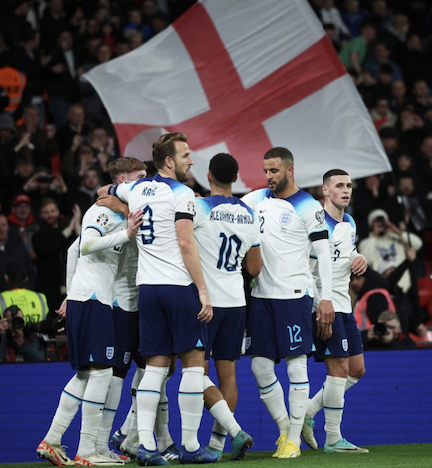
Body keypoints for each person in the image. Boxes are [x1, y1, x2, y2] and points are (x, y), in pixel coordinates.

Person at [108, 132, 218, 465]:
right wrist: (202, 290)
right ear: (168, 161)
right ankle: (190, 446)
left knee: (155, 369)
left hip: (149, 289)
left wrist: (125, 209)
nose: (191, 161)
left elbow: (103, 192)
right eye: (185, 155)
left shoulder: (137, 188)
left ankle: (146, 447)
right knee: (193, 367)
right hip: (178, 286)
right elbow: (186, 243)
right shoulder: (183, 194)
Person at [37, 158, 145, 467]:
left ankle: (52, 439)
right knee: (102, 373)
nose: (141, 184)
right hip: (95, 299)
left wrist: (71, 294)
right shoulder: (100, 211)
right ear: (122, 180)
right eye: (137, 178)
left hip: (91, 297)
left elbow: (73, 250)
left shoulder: (115, 212)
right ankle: (87, 450)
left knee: (86, 373)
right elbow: (86, 246)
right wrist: (126, 234)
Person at [240, 147, 332, 459]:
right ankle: (285, 428)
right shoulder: (254, 200)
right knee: (260, 367)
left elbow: (323, 255)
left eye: (274, 171)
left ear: (289, 171)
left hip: (294, 297)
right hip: (261, 297)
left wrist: (326, 298)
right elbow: (226, 212)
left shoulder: (307, 205)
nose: (268, 177)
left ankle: (294, 439)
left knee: (297, 367)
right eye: (265, 171)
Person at [192, 153, 261, 460]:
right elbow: (255, 268)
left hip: (206, 301)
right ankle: (218, 445)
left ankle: (234, 431)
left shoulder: (198, 207)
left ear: (208, 176)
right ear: (236, 178)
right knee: (229, 374)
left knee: (194, 371)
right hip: (236, 300)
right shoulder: (250, 213)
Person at [302, 169, 369, 453]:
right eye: (339, 185)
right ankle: (333, 438)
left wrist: (358, 257)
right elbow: (308, 265)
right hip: (323, 305)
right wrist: (318, 304)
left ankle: (305, 412)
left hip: (345, 304)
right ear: (325, 191)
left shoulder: (350, 222)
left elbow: (346, 251)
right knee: (339, 369)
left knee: (356, 369)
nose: (346, 190)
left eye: (349, 186)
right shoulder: (316, 224)